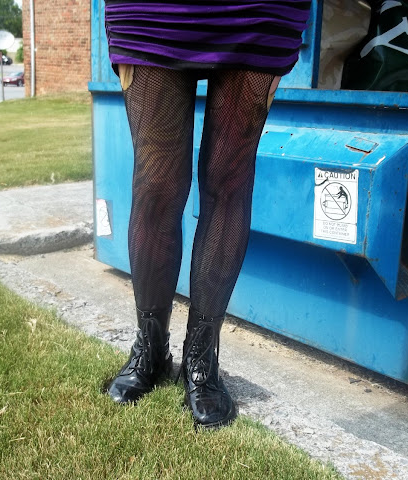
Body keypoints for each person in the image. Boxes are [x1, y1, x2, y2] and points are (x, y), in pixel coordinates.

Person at [105, 0, 312, 429]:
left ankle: (201, 358)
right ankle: (151, 348)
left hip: (254, 10)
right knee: (156, 184)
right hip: (154, 9)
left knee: (228, 182)